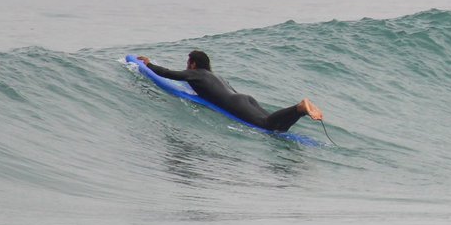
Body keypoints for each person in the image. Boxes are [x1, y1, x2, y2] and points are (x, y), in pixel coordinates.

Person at [138, 50, 323, 132]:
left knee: (266, 124)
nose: (187, 66)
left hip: (235, 103)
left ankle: (299, 107)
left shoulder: (195, 74)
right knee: (277, 128)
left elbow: (169, 74)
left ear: (193, 63)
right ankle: (301, 111)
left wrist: (148, 64)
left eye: (188, 63)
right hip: (243, 98)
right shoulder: (214, 76)